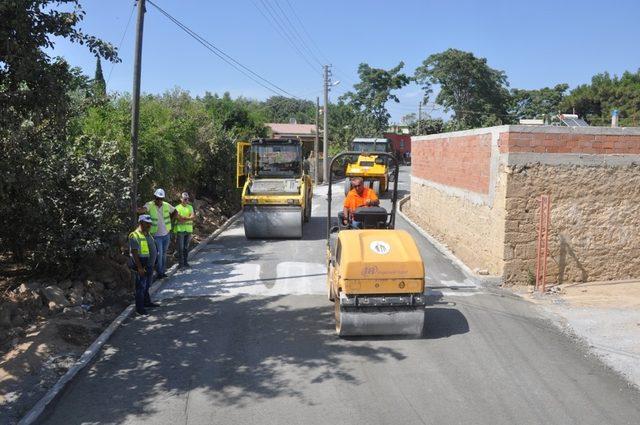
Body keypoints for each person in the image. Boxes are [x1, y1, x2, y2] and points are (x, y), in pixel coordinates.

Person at [137, 188, 177, 279]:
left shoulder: (166, 205)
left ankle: (162, 271)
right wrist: (137, 210)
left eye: (161, 198)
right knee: (159, 254)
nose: (159, 200)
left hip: (166, 234)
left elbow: (175, 211)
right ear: (155, 197)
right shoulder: (150, 204)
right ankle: (160, 272)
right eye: (158, 198)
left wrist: (170, 220)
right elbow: (143, 209)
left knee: (163, 254)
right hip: (156, 235)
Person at [128, 215, 159, 316]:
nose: (150, 225)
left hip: (148, 264)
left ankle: (147, 302)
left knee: (146, 285)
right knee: (140, 287)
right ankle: (140, 309)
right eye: (147, 223)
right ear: (141, 222)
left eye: (150, 223)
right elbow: (134, 253)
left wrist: (154, 262)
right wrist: (140, 267)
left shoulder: (147, 234)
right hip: (141, 264)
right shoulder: (134, 235)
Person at [175, 192, 195, 268]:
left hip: (188, 230)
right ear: (181, 199)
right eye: (185, 199)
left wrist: (184, 218)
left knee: (186, 247)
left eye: (187, 199)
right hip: (180, 230)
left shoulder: (190, 207)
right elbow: (179, 218)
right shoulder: (177, 208)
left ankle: (185, 262)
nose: (186, 200)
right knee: (180, 248)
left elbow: (193, 217)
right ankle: (180, 263)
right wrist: (188, 218)